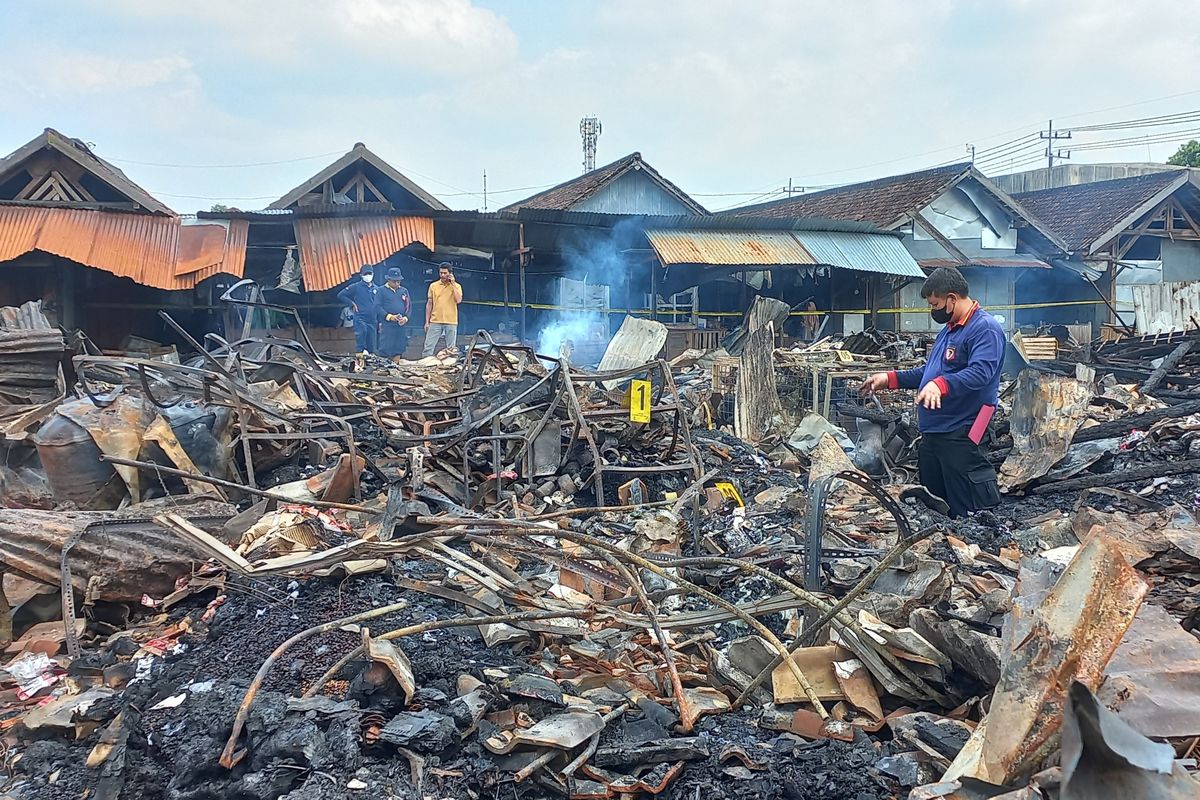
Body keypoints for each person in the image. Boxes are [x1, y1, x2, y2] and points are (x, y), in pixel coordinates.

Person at [860, 267, 1004, 518]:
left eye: (935, 304)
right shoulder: (949, 330)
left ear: (952, 299)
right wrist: (890, 379)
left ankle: (972, 538)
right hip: (935, 433)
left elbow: (981, 373)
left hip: (963, 429)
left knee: (967, 504)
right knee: (935, 503)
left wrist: (941, 385)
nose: (933, 310)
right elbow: (930, 372)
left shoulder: (984, 329)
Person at [423, 263, 463, 357]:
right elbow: (429, 304)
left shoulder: (457, 286)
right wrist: (427, 322)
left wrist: (453, 284)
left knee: (451, 349)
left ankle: (450, 365)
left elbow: (458, 300)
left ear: (450, 273)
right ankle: (426, 364)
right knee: (428, 347)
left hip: (451, 321)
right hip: (435, 320)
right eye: (441, 273)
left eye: (445, 273)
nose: (443, 275)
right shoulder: (433, 286)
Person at [337, 265, 378, 354]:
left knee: (371, 344)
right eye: (365, 274)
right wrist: (352, 303)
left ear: (373, 274)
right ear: (361, 275)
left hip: (372, 319)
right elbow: (341, 295)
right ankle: (359, 360)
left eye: (369, 273)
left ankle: (370, 360)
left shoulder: (377, 289)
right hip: (360, 318)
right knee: (361, 340)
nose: (368, 276)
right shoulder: (356, 286)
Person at [376, 267, 411, 360]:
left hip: (400, 324)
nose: (396, 284)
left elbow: (408, 306)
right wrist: (389, 316)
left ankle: (397, 363)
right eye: (394, 281)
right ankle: (384, 364)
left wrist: (405, 318)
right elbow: (377, 306)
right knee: (386, 346)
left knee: (399, 346)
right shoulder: (381, 290)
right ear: (388, 280)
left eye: (398, 282)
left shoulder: (403, 291)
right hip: (387, 324)